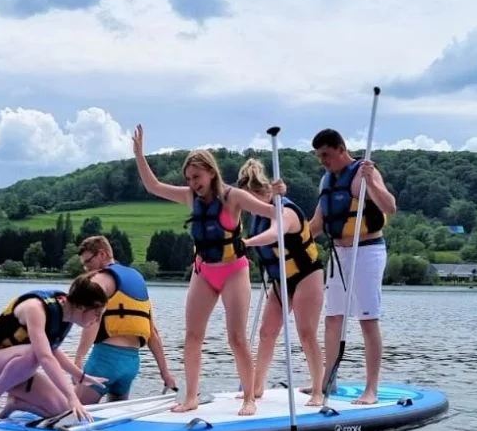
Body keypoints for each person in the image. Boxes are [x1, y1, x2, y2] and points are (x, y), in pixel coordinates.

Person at [131, 124, 279, 416]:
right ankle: (190, 397)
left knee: (236, 338)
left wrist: (278, 196)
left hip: (234, 271)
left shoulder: (234, 197)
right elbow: (154, 187)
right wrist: (139, 154)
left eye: (196, 177)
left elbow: (274, 213)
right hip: (204, 272)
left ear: (211, 172)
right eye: (188, 178)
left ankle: (249, 398)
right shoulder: (191, 197)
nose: (193, 183)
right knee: (192, 336)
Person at [308, 128, 397, 404]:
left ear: (341, 149)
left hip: (367, 251)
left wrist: (373, 184)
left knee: (368, 320)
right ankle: (328, 381)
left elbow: (390, 207)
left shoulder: (364, 172)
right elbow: (317, 224)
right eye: (319, 156)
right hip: (338, 254)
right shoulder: (327, 181)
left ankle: (371, 389)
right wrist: (287, 241)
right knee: (333, 317)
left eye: (326, 154)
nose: (323, 161)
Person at [236, 158, 327, 406]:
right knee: (267, 332)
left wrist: (247, 243)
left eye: (251, 200)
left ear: (262, 193)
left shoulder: (283, 210)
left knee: (306, 333)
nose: (249, 207)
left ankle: (318, 390)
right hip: (280, 280)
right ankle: (257, 387)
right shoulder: (258, 213)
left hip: (306, 275)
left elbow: (274, 233)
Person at [0, 274, 108, 422]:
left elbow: (53, 350)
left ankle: (16, 403)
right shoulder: (35, 308)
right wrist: (72, 396)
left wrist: (81, 376)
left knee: (65, 411)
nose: (98, 320)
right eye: (97, 314)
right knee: (36, 353)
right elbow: (45, 357)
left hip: (20, 374)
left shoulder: (66, 313)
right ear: (81, 307)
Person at [73, 235, 179, 403]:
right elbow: (152, 333)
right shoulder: (137, 278)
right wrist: (165, 373)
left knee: (73, 410)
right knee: (116, 415)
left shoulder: (101, 279)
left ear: (102, 254)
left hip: (105, 361)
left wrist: (78, 361)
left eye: (88, 262)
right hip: (131, 364)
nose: (86, 269)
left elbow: (94, 320)